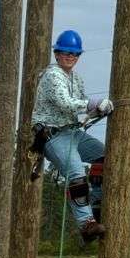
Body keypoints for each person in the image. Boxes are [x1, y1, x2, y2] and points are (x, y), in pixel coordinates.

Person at [30, 30, 113, 243]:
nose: (70, 57)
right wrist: (93, 104)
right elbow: (65, 103)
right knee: (75, 172)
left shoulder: (76, 78)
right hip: (53, 135)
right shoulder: (52, 75)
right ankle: (87, 224)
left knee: (105, 157)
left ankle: (94, 204)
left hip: (73, 132)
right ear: (57, 54)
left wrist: (98, 110)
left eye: (74, 54)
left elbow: (81, 103)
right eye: (66, 53)